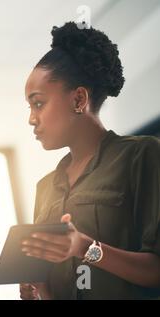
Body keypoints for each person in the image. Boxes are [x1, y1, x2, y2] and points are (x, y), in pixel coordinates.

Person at [20, 22, 160, 299]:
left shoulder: (141, 155)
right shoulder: (44, 187)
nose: (31, 119)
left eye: (38, 103)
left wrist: (86, 248)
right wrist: (40, 290)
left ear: (79, 99)